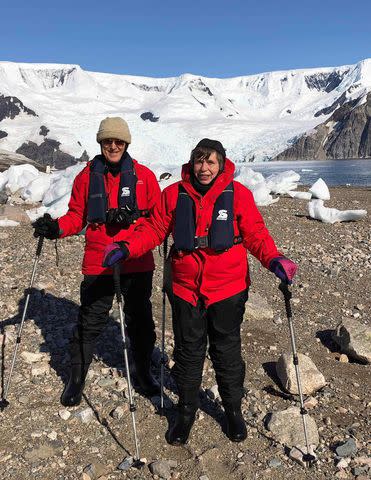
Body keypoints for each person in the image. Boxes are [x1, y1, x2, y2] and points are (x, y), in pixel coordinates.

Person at [102, 138, 298, 444]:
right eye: (199, 161)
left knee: (226, 351)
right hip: (184, 288)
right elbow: (153, 229)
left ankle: (233, 410)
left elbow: (255, 234)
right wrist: (127, 247)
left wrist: (274, 259)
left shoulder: (238, 195)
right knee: (188, 354)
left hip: (228, 288)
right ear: (191, 163)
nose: (204, 168)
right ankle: (186, 411)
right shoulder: (173, 195)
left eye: (210, 162)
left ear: (221, 164)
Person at [32, 117, 161, 406]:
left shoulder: (145, 177)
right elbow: (77, 216)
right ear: (100, 143)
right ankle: (76, 379)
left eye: (118, 141)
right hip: (99, 261)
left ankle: (142, 372)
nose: (112, 146)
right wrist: (56, 228)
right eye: (107, 141)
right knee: (89, 321)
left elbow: (156, 219)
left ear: (126, 143)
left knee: (140, 320)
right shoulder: (86, 177)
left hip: (136, 260)